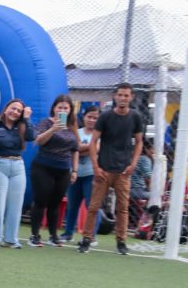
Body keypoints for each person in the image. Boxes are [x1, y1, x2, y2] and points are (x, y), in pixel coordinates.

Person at [80, 83, 144, 255]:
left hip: (123, 171)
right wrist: (96, 166)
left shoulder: (135, 117)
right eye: (120, 95)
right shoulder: (105, 116)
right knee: (93, 207)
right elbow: (93, 142)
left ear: (131, 97)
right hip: (103, 170)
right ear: (115, 96)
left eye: (126, 95)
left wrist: (133, 164)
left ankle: (121, 242)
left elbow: (139, 142)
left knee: (123, 208)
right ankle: (86, 239)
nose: (123, 98)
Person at [29, 95, 79, 247]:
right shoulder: (46, 123)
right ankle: (35, 235)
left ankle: (53, 235)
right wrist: (53, 129)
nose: (62, 110)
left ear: (70, 110)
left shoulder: (72, 126)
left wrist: (74, 170)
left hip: (63, 169)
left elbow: (75, 149)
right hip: (44, 166)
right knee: (41, 200)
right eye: (60, 107)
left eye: (66, 108)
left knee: (55, 203)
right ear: (54, 109)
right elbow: (38, 141)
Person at [0, 99, 34, 249]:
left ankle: (11, 239)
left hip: (17, 165)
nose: (15, 112)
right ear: (6, 109)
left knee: (16, 205)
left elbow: (31, 136)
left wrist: (27, 119)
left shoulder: (22, 127)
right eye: (13, 108)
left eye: (19, 111)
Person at [61, 105, 99, 243]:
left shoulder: (99, 134)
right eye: (89, 117)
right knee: (72, 205)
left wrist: (78, 149)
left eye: (95, 118)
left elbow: (95, 149)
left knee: (91, 206)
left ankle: (91, 236)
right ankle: (68, 233)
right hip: (74, 174)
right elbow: (71, 149)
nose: (92, 120)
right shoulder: (77, 132)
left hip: (91, 174)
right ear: (84, 117)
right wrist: (88, 147)